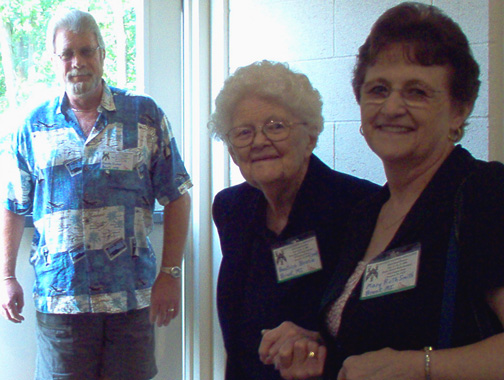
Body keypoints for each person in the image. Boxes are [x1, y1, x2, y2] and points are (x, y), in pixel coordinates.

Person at [259, 2, 504, 379]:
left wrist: (422, 366)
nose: (391, 107)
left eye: (417, 92)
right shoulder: (368, 212)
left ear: (459, 111)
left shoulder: (483, 194)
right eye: (378, 89)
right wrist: (313, 345)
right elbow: (375, 337)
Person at [0, 9, 191, 380]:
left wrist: (170, 272)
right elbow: (12, 205)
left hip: (131, 299)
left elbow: (178, 195)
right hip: (60, 301)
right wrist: (6, 276)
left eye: (87, 51)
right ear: (54, 60)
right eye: (67, 53)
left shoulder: (144, 115)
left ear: (102, 54)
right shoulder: (31, 125)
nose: (78, 63)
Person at [208, 60, 379, 380]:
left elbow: (375, 325)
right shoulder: (231, 209)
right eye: (244, 133)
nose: (259, 141)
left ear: (311, 136)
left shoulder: (361, 206)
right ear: (232, 151)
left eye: (275, 126)